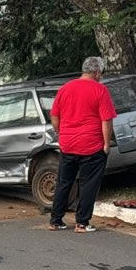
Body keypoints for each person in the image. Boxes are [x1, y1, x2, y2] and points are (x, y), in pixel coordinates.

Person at [48, 56, 117, 233]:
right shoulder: (100, 90)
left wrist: (61, 133)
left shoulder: (65, 89)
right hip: (92, 145)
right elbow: (106, 120)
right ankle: (82, 223)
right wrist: (106, 144)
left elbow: (54, 116)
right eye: (100, 73)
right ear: (97, 72)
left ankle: (56, 220)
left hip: (68, 144)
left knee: (64, 182)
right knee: (89, 185)